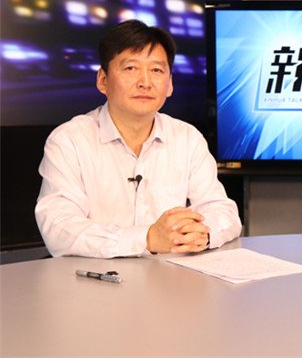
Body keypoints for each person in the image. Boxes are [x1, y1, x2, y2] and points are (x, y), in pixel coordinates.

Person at [35, 20, 242, 258]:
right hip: (95, 276)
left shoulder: (187, 139)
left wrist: (202, 234)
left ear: (170, 85)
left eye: (157, 70)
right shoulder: (69, 141)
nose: (145, 82)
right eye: (131, 68)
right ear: (103, 80)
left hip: (172, 277)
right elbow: (60, 228)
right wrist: (147, 238)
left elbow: (222, 210)